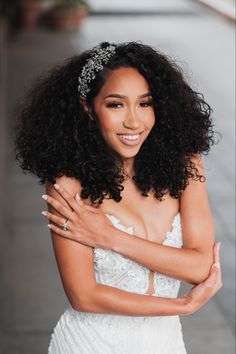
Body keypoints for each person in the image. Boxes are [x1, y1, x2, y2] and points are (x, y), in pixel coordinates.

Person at [14, 41, 222, 354]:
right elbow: (84, 295)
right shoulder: (69, 185)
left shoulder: (185, 166)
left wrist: (110, 237)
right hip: (91, 344)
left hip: (166, 344)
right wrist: (182, 304)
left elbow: (200, 266)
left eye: (145, 103)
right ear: (88, 107)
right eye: (115, 104)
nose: (133, 122)